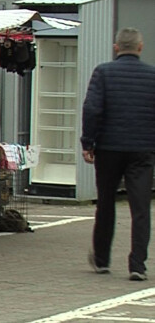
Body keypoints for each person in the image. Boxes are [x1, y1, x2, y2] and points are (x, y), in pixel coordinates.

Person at [82, 27, 155, 281]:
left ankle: (102, 259)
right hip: (142, 150)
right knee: (141, 208)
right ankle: (137, 265)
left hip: (109, 148)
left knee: (105, 203)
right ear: (140, 47)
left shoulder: (103, 72)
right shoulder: (152, 75)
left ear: (116, 48)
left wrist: (88, 142)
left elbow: (92, 109)